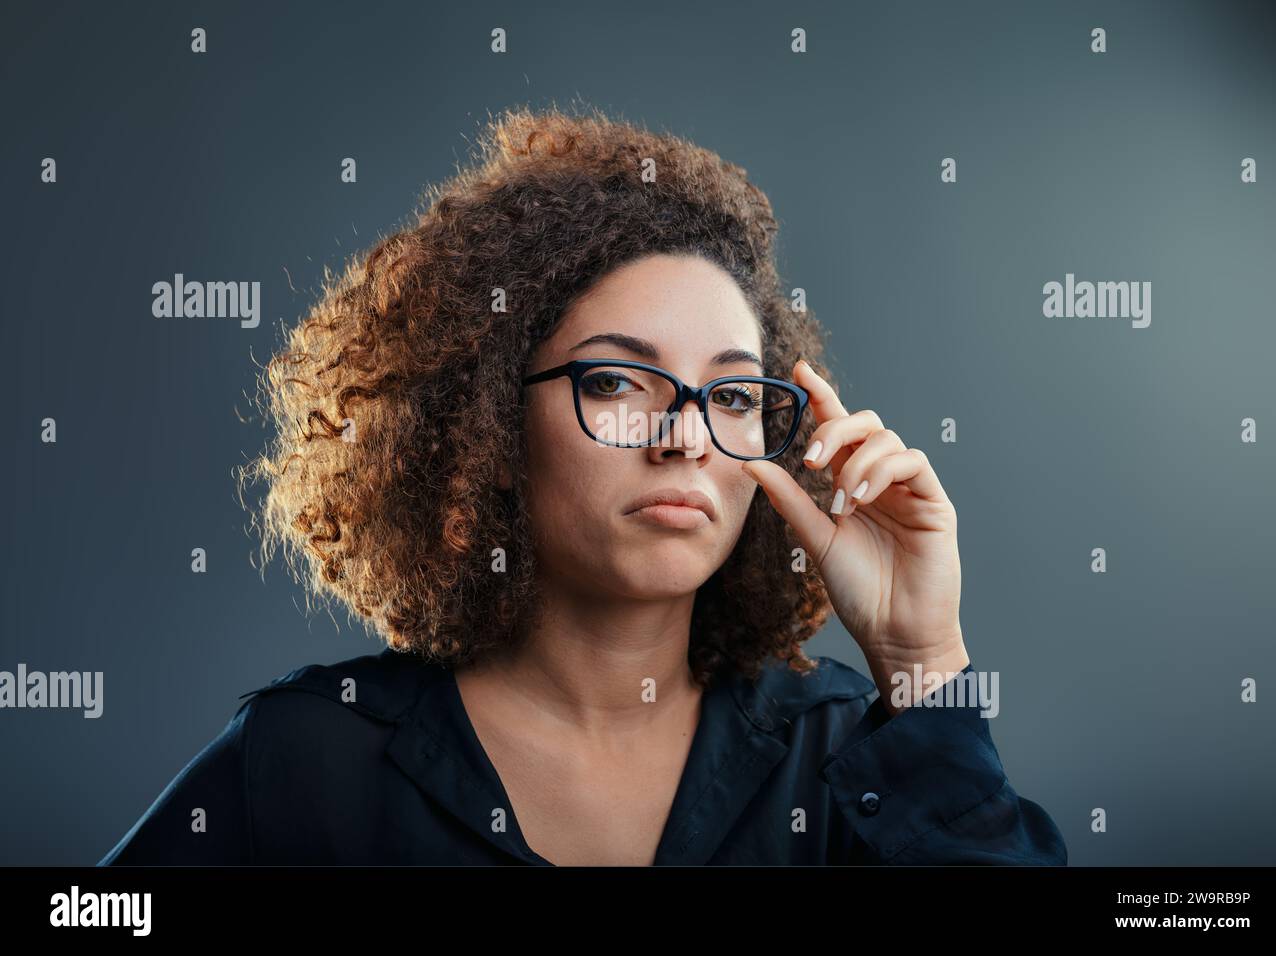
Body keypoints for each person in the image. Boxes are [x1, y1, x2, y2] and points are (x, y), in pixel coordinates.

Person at [98, 103, 1067, 866]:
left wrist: (921, 650)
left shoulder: (845, 752)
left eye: (731, 394)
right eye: (613, 379)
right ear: (483, 419)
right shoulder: (310, 757)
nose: (687, 437)